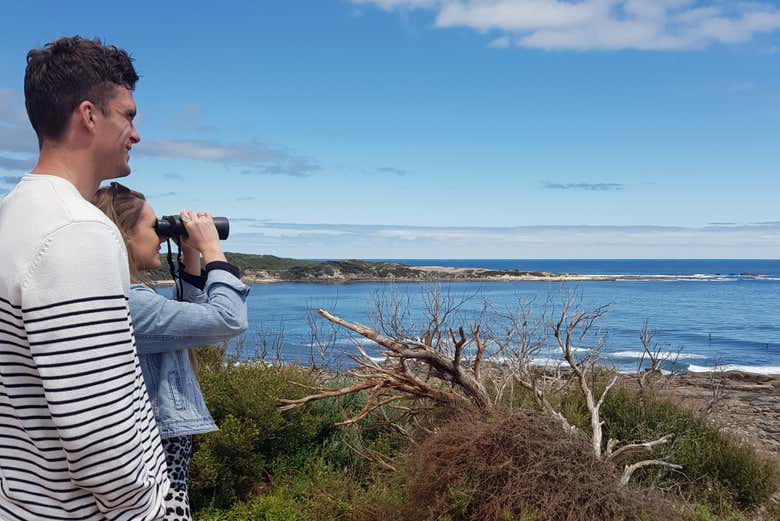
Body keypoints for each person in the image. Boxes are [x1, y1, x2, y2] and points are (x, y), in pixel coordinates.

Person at [0, 37, 171, 520]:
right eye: (129, 116)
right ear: (89, 116)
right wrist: (147, 511)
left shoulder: (13, 215)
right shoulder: (77, 232)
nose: (136, 134)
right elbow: (98, 434)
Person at [93, 183, 249, 521]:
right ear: (123, 235)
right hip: (156, 453)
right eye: (154, 229)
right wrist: (212, 250)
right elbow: (227, 319)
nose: (161, 238)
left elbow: (181, 330)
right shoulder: (130, 302)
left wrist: (189, 254)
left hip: (159, 447)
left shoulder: (123, 294)